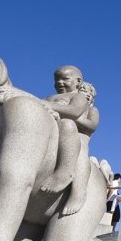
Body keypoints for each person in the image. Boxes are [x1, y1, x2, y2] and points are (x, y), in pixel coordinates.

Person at [39, 66, 97, 216]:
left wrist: (76, 118)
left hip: (78, 139)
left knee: (80, 156)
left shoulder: (90, 109)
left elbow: (91, 126)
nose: (60, 82)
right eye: (57, 79)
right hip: (53, 134)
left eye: (64, 79)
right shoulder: (48, 98)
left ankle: (78, 193)